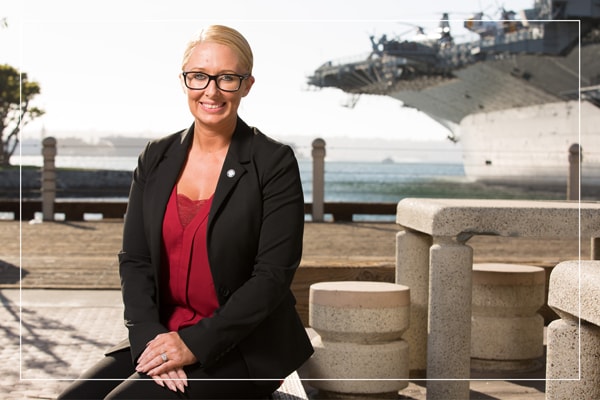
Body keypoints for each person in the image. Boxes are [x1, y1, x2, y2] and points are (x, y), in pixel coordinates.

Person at [58, 24, 313, 399]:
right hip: (164, 331)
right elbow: (136, 260)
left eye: (227, 78)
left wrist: (193, 345)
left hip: (241, 343)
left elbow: (272, 277)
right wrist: (150, 336)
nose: (211, 91)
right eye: (199, 77)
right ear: (184, 81)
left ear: (247, 84)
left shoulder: (273, 162)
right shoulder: (156, 157)